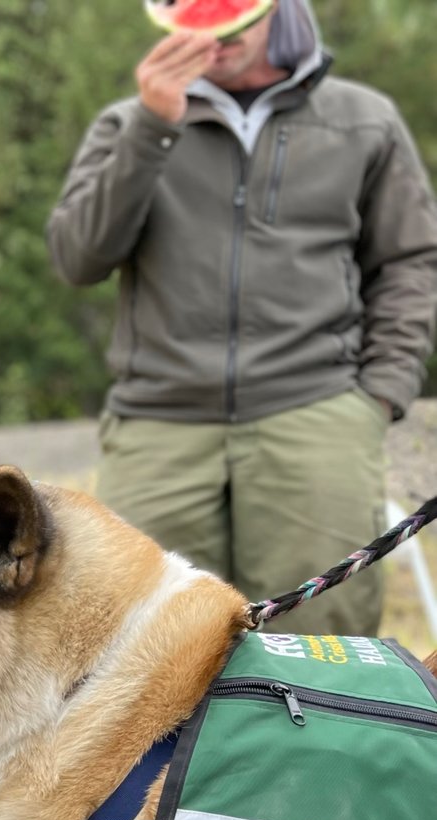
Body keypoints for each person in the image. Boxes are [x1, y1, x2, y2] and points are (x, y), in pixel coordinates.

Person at [47, 0, 437, 637]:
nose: (213, 27)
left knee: (324, 644)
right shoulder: (128, 124)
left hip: (316, 411)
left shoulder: (365, 120)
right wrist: (153, 127)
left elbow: (411, 261)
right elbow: (77, 258)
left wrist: (381, 394)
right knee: (132, 646)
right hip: (158, 422)